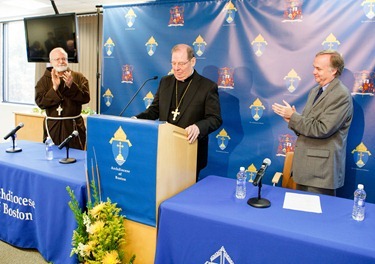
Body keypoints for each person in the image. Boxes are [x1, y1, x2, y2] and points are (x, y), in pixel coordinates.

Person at [135, 43, 222, 181]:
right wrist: (136, 119)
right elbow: (154, 110)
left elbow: (215, 118)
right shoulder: (165, 82)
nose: (176, 68)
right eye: (173, 63)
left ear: (193, 61)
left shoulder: (207, 87)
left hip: (190, 151)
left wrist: (198, 127)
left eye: (181, 63)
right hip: (164, 149)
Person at [272, 50, 353, 196]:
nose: (314, 72)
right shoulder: (315, 91)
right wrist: (292, 120)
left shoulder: (341, 95)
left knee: (317, 217)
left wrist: (295, 117)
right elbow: (307, 126)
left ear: (333, 70)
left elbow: (322, 129)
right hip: (304, 169)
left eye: (319, 68)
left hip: (320, 172)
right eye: (314, 67)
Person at [35, 47, 90, 150]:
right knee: (53, 156)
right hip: (53, 126)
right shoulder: (43, 80)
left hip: (73, 125)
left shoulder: (78, 77)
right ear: (51, 61)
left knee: (75, 157)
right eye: (57, 59)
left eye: (64, 59)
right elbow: (40, 103)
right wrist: (54, 88)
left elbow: (86, 98)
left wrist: (71, 86)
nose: (61, 62)